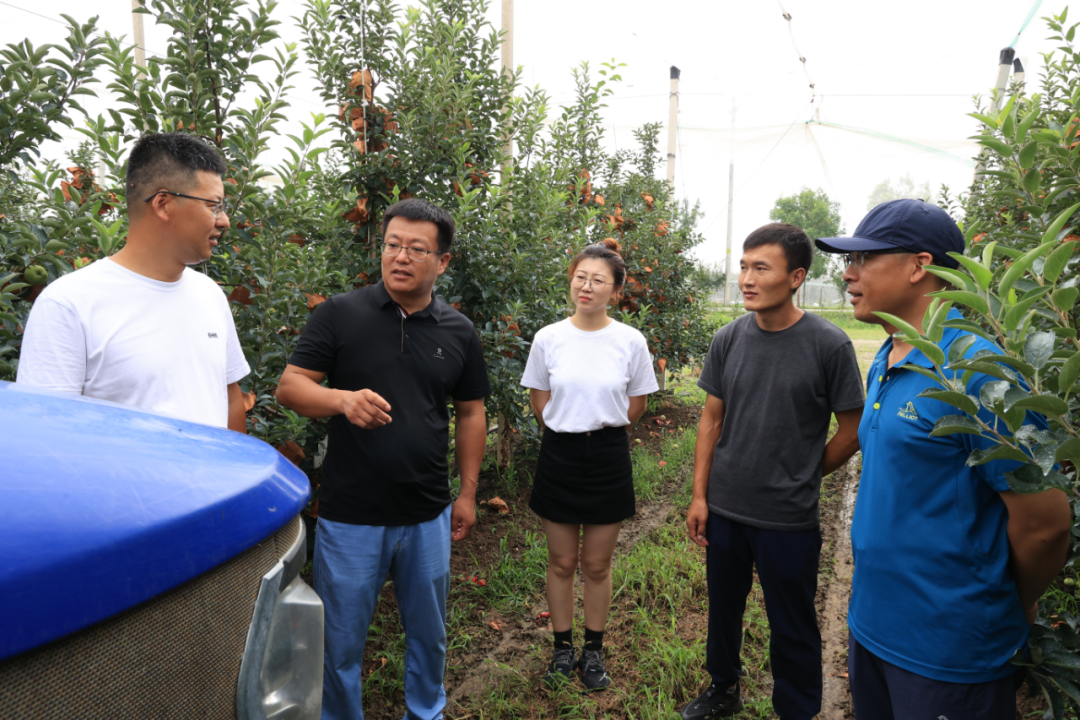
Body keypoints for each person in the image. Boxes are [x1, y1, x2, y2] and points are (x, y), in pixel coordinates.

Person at [815, 198, 1071, 720]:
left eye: (864, 260)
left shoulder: (979, 374)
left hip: (947, 646)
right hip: (873, 625)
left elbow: (1044, 523)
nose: (849, 273)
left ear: (919, 266)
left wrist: (1011, 602)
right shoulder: (888, 359)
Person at [275, 198, 490, 720]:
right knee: (340, 642)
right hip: (352, 515)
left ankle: (426, 711)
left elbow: (470, 413)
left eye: (417, 249)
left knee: (429, 635)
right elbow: (290, 387)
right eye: (392, 244)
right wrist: (342, 401)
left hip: (427, 512)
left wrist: (466, 493)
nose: (400, 257)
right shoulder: (341, 314)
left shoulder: (457, 331)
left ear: (442, 262)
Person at [680, 224, 864, 720]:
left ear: (796, 276)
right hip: (725, 508)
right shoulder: (728, 338)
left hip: (787, 518)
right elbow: (711, 420)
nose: (746, 278)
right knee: (724, 611)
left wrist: (805, 473)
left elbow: (852, 429)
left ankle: (797, 709)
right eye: (743, 266)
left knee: (793, 623)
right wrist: (700, 497)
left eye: (761, 267)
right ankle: (723, 689)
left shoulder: (829, 345)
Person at [16, 132, 249, 430]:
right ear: (163, 204)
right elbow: (45, 429)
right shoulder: (69, 304)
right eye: (213, 206)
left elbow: (229, 399)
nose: (224, 221)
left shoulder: (209, 295)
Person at [520, 238, 659, 691]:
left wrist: (598, 429)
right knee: (561, 561)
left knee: (597, 565)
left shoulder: (629, 340)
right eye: (581, 276)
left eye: (598, 280)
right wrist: (568, 426)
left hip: (607, 455)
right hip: (558, 454)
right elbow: (540, 400)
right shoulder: (548, 337)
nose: (587, 285)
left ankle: (593, 652)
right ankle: (563, 649)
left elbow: (635, 404)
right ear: (571, 279)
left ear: (615, 290)